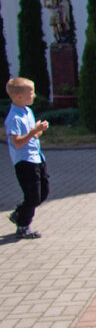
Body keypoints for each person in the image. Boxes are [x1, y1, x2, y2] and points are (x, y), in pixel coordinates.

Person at [6, 77, 49, 239]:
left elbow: (35, 135)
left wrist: (40, 129)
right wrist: (32, 132)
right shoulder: (14, 118)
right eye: (31, 92)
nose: (34, 95)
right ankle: (23, 225)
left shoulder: (27, 111)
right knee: (32, 196)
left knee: (43, 193)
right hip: (24, 162)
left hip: (37, 158)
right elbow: (17, 143)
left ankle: (19, 213)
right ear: (19, 96)